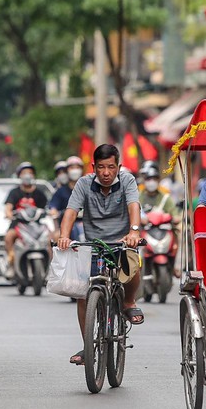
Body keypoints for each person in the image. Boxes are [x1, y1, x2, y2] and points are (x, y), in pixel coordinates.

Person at [58, 144, 144, 366]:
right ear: (94, 167)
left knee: (132, 263)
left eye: (111, 167)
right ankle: (88, 347)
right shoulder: (84, 184)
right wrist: (64, 236)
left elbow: (134, 205)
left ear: (119, 167)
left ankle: (128, 301)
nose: (106, 173)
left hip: (121, 242)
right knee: (82, 294)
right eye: (102, 167)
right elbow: (71, 211)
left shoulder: (127, 181)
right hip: (92, 244)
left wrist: (134, 232)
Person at [3, 162, 48, 277]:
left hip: (36, 226)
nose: (27, 175)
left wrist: (51, 212)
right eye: (24, 173)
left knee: (50, 239)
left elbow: (48, 208)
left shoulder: (39, 193)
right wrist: (9, 213)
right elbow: (8, 207)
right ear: (19, 176)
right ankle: (11, 263)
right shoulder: (14, 192)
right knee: (9, 237)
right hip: (18, 224)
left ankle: (50, 269)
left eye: (30, 173)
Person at [48, 156, 84, 240]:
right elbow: (53, 206)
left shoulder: (88, 189)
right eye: (72, 167)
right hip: (66, 226)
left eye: (77, 167)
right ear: (67, 170)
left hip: (88, 225)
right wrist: (54, 211)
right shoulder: (61, 191)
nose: (75, 170)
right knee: (56, 237)